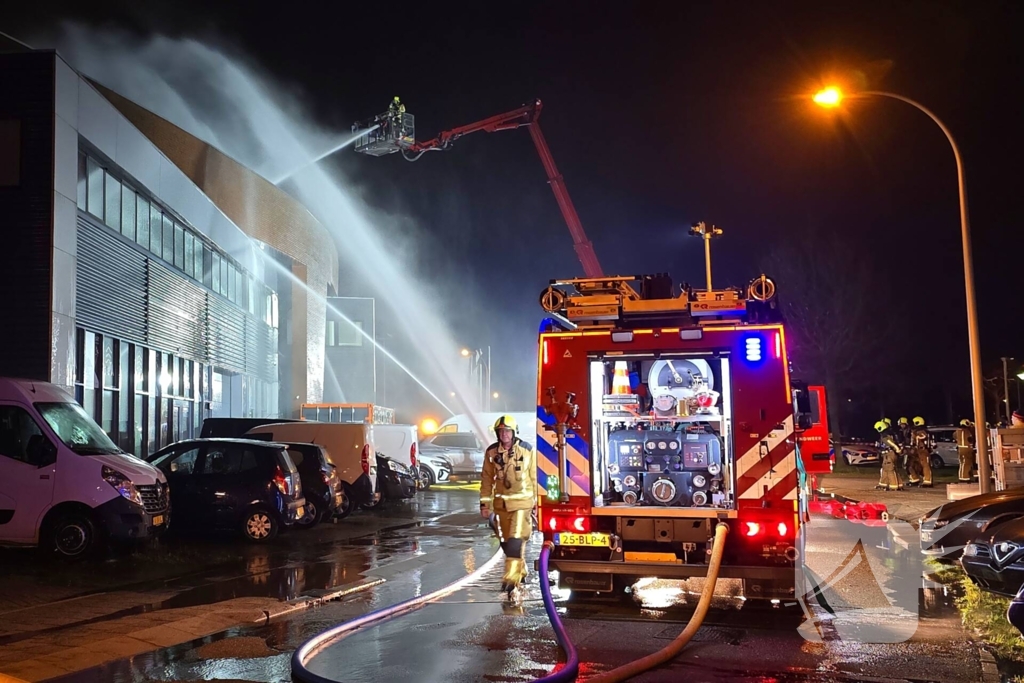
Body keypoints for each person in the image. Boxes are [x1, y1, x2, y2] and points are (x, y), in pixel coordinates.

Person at [480, 415, 536, 604]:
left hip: (522, 505)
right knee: (505, 543)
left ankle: (511, 580)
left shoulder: (527, 450)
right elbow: (487, 479)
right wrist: (484, 504)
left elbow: (535, 477)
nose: (504, 434)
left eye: (507, 431)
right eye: (501, 431)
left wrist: (538, 503)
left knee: (514, 541)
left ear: (514, 432)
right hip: (501, 507)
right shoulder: (491, 453)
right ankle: (521, 570)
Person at [875, 419, 903, 491]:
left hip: (889, 454)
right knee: (886, 469)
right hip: (889, 454)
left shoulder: (885, 436)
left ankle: (893, 486)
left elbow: (891, 443)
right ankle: (883, 484)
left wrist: (897, 449)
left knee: (890, 469)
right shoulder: (891, 433)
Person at [910, 416, 932, 487]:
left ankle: (928, 481)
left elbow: (922, 437)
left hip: (923, 451)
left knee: (926, 466)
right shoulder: (918, 431)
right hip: (919, 451)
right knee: (918, 465)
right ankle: (920, 479)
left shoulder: (922, 432)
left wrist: (915, 435)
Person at [954, 419, 975, 483]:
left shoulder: (956, 431)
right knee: (967, 463)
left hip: (960, 449)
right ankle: (965, 478)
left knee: (961, 463)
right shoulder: (967, 431)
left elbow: (954, 437)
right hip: (967, 449)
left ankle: (961, 476)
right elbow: (971, 439)